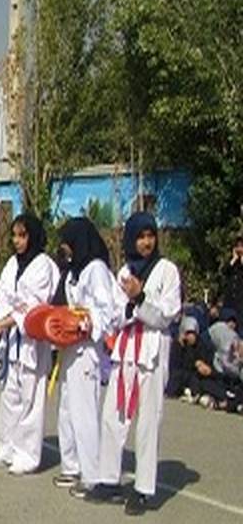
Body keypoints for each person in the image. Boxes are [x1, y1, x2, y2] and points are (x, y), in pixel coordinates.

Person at [87, 212, 182, 515]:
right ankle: (108, 478)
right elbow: (116, 314)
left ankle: (143, 488)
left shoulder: (167, 271)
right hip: (125, 351)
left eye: (150, 236)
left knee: (148, 420)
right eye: (140, 236)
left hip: (152, 353)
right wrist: (131, 305)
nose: (146, 242)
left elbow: (166, 313)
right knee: (113, 414)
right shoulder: (125, 272)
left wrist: (140, 300)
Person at [0, 213, 59, 475]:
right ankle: (7, 446)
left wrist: (1, 324)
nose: (17, 241)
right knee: (9, 396)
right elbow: (3, 295)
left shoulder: (44, 266)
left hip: (32, 342)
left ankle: (28, 453)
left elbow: (32, 306)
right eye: (14, 235)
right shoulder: (12, 264)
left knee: (31, 398)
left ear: (33, 236)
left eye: (22, 235)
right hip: (11, 339)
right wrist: (1, 319)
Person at [50, 217, 117, 496]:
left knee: (84, 412)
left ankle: (92, 475)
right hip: (69, 348)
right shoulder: (74, 271)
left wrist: (84, 325)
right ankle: (71, 465)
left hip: (87, 350)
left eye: (68, 242)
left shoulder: (96, 269)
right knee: (66, 409)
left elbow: (106, 311)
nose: (65, 248)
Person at [165, 317, 218, 405]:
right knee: (179, 376)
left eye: (193, 333)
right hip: (182, 375)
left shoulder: (202, 346)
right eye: (188, 333)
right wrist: (181, 347)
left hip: (198, 376)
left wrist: (204, 367)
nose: (191, 336)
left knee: (205, 382)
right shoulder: (178, 346)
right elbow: (175, 365)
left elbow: (208, 365)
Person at [221, 237, 243, 315]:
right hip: (229, 300)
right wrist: (234, 259)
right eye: (238, 246)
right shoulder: (231, 262)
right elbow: (224, 271)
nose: (239, 249)